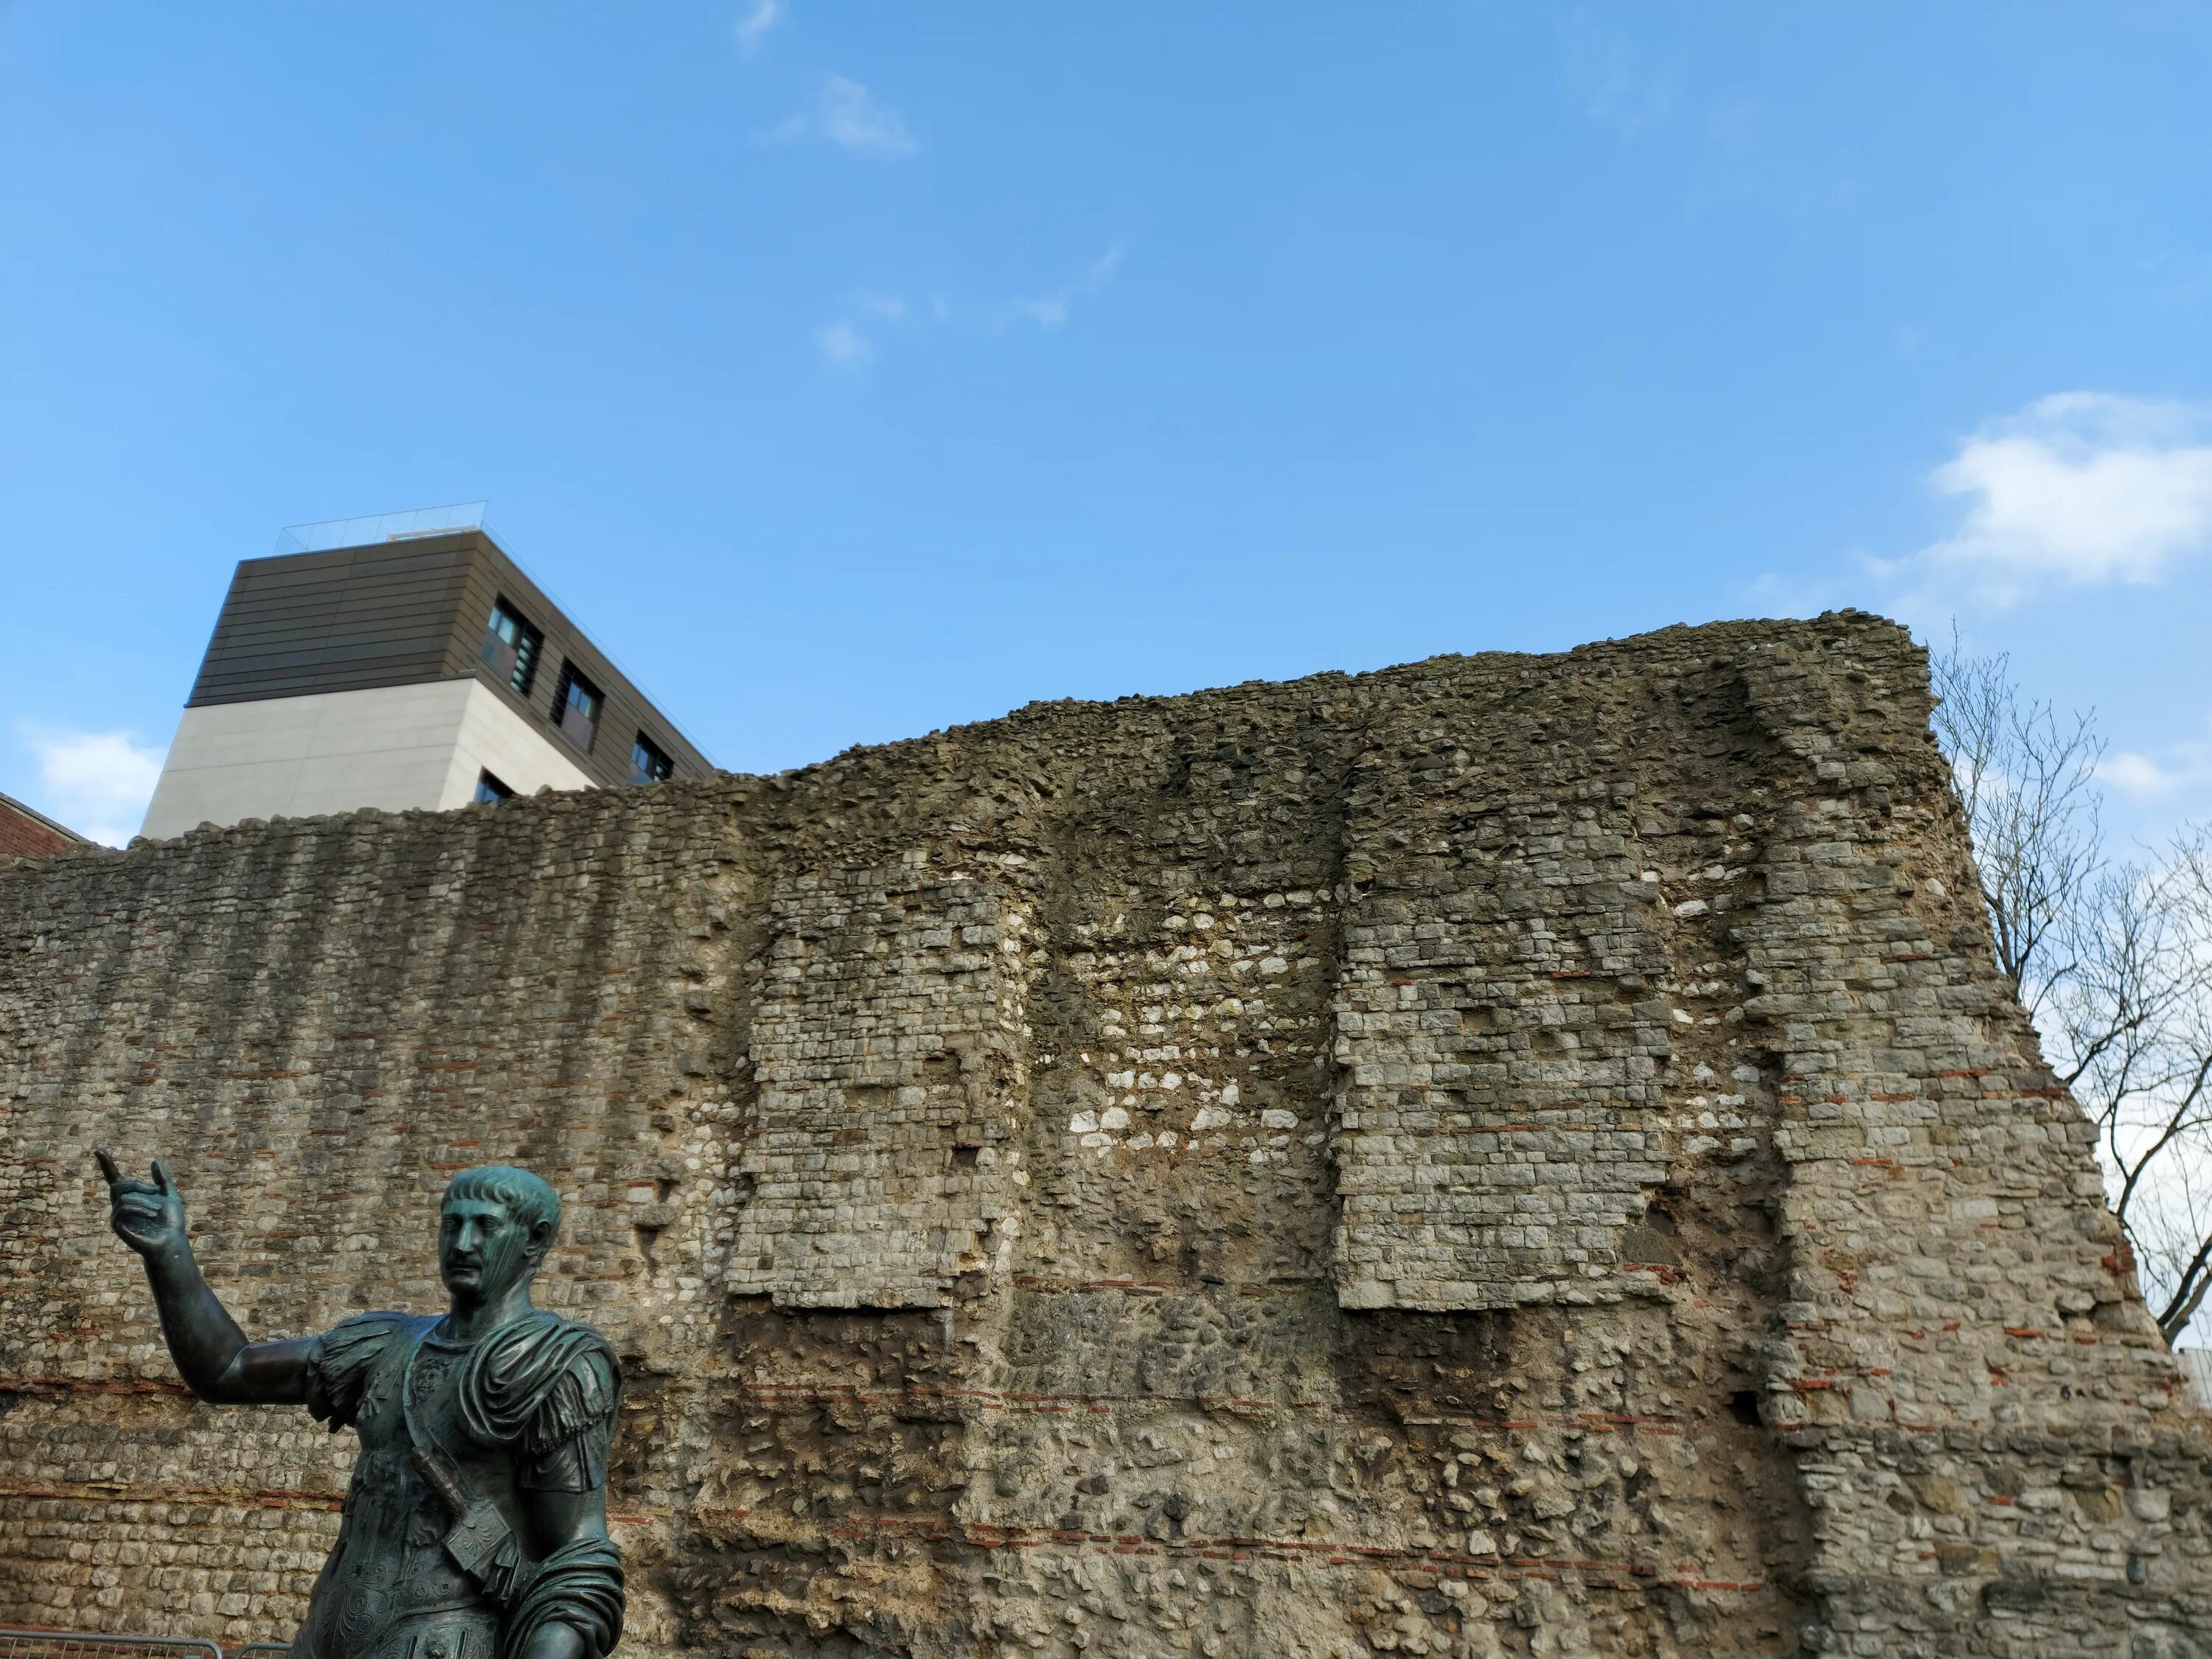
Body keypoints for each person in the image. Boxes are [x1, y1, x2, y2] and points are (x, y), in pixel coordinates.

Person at [97, 1152, 624, 1659]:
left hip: (447, 1640)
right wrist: (169, 1254)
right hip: (328, 1635)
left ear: (535, 1241)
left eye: (485, 1227)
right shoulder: (384, 1346)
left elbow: (576, 1561)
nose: (463, 1243)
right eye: (452, 1225)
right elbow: (228, 1370)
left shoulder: (555, 1367)